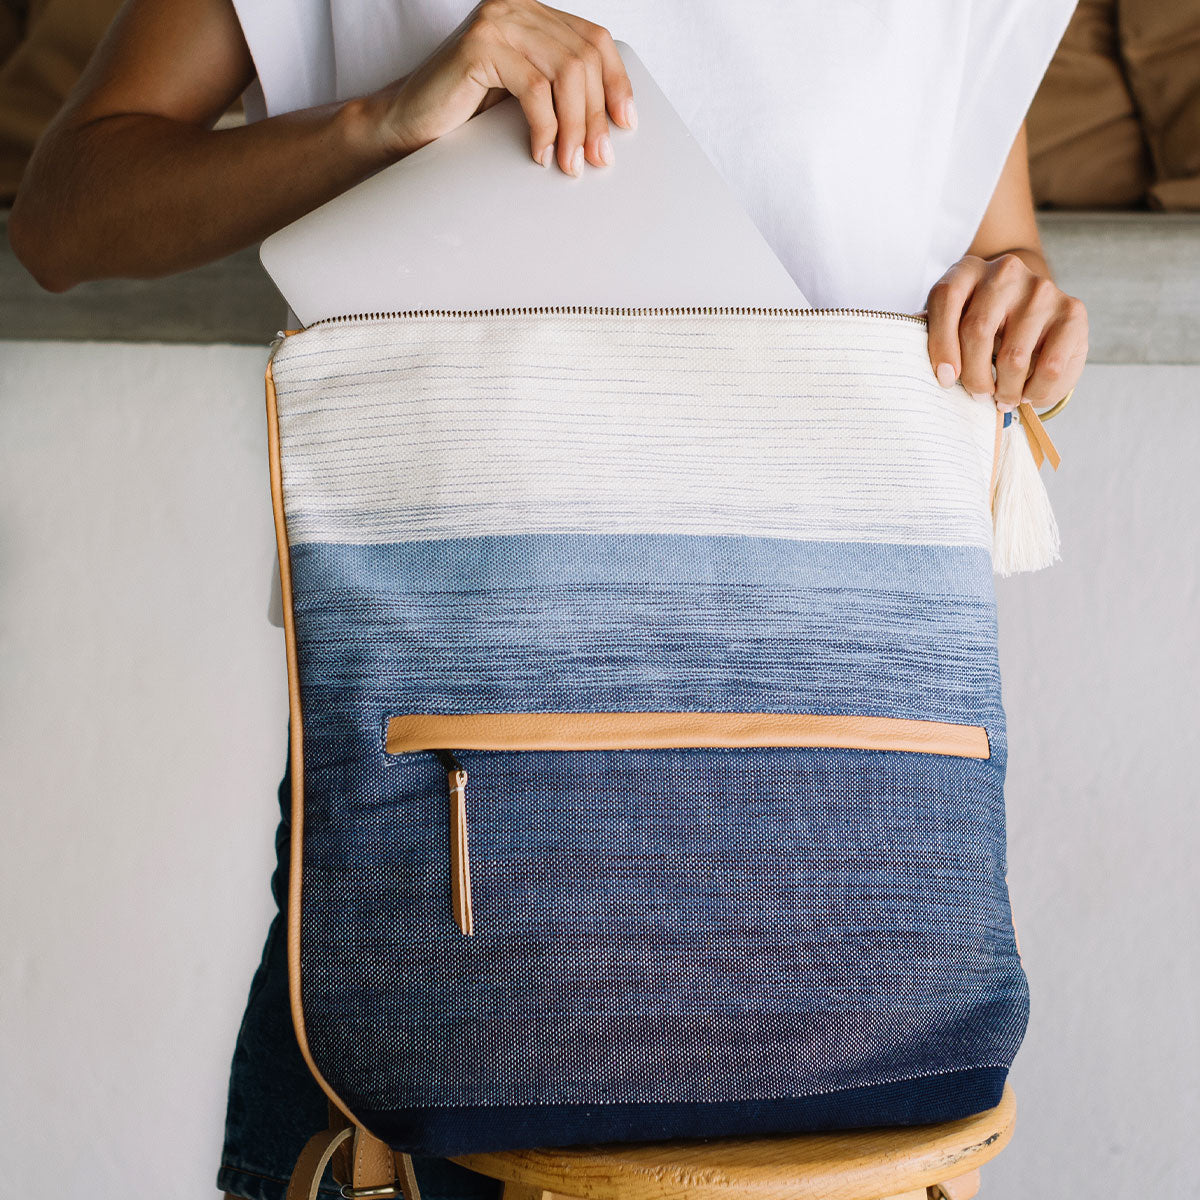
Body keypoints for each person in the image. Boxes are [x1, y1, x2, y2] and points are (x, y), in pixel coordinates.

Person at [8, 3, 1089, 1198]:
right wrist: (381, 121)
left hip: (843, 789)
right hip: (452, 772)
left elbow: (1002, 254)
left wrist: (1024, 306)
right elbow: (64, 214)